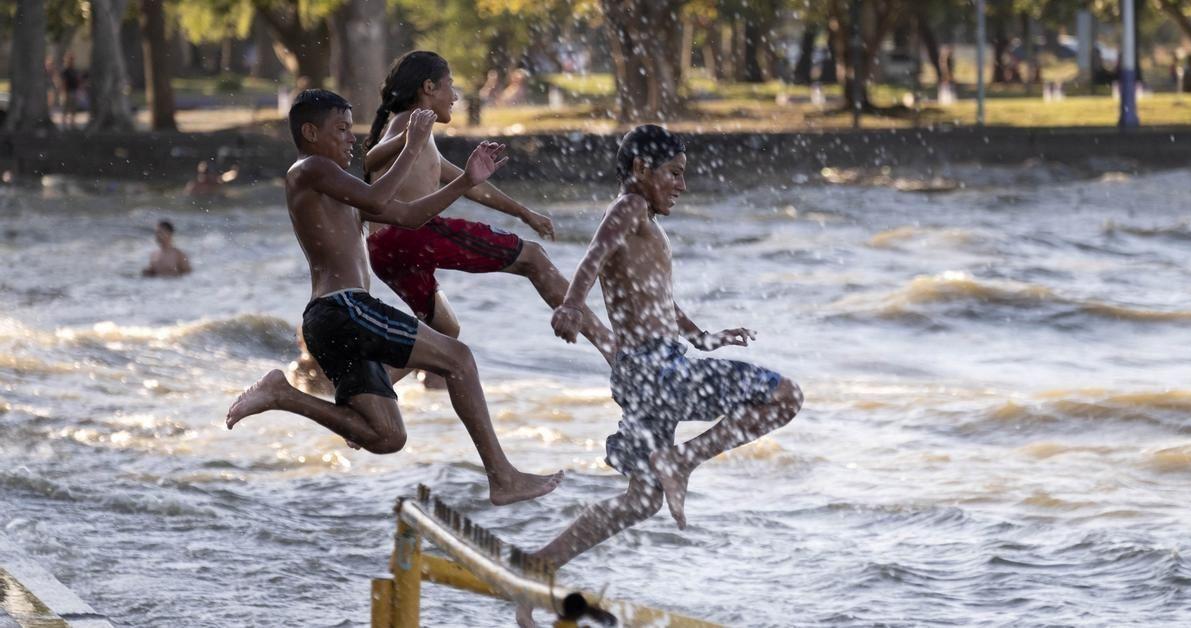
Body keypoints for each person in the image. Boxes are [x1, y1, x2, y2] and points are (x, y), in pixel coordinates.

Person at [515, 125, 804, 624]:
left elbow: (658, 301)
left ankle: (538, 568)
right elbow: (592, 257)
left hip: (644, 376)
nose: (681, 185)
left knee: (641, 500)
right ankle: (685, 460)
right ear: (640, 170)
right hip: (656, 372)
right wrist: (570, 306)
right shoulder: (627, 208)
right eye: (673, 173)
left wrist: (704, 337)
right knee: (786, 396)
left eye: (683, 175)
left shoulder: (642, 219)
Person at [225, 89, 560, 506]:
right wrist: (413, 143)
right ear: (310, 132)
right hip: (342, 307)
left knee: (387, 437)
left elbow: (409, 215)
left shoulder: (340, 189)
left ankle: (284, 394)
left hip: (335, 318)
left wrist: (465, 181)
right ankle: (502, 477)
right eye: (342, 129)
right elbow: (380, 196)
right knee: (459, 359)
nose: (352, 138)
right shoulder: (308, 169)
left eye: (353, 128)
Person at [362, 51, 615, 387]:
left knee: (446, 333)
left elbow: (471, 188)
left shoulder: (419, 132)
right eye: (450, 86)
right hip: (409, 237)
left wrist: (523, 212)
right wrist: (409, 142)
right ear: (428, 87)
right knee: (534, 258)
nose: (454, 96)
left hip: (385, 251)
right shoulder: (410, 122)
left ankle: (374, 391)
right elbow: (371, 156)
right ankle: (615, 352)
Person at [60, 53, 82, 129]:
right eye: (70, 59)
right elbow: (63, 82)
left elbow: (78, 81)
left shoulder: (74, 70)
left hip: (74, 91)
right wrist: (64, 92)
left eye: (73, 60)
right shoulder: (65, 70)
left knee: (73, 108)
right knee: (65, 108)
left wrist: (79, 90)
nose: (72, 61)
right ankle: (64, 124)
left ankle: (72, 124)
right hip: (67, 91)